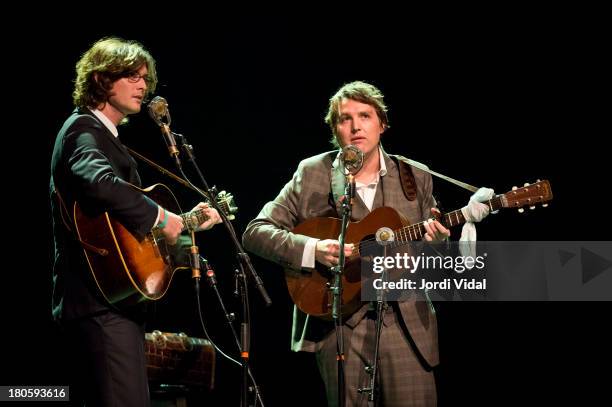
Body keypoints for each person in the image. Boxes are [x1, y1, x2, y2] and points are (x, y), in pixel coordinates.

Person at [242, 81, 450, 406]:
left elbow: (431, 257)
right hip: (339, 325)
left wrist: (438, 243)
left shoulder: (415, 175)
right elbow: (255, 231)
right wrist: (314, 250)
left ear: (382, 124)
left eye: (365, 116)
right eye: (344, 118)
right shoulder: (313, 172)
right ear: (334, 129)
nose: (355, 126)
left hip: (406, 324)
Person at [49, 37, 221, 406]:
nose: (143, 85)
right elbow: (96, 182)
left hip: (113, 304)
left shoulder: (106, 138)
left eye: (145, 77)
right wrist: (161, 217)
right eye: (131, 76)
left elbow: (123, 231)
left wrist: (186, 224)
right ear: (101, 79)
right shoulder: (83, 130)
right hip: (98, 306)